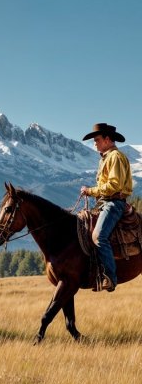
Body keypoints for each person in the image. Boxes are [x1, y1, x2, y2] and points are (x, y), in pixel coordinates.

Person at [80, 122, 133, 292]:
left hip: (113, 203)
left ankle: (110, 277)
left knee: (99, 236)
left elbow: (114, 185)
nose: (95, 143)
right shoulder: (106, 158)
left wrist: (90, 191)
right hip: (104, 202)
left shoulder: (115, 157)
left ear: (107, 139)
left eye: (97, 140)